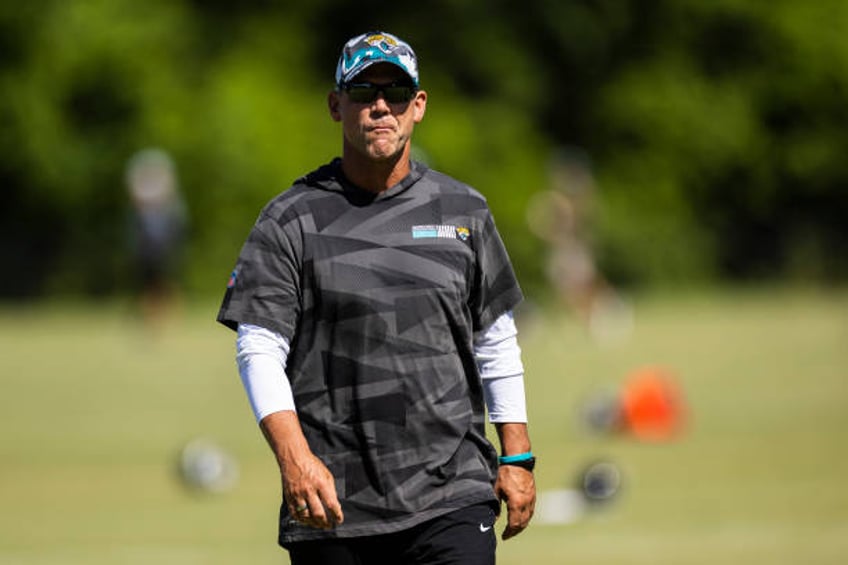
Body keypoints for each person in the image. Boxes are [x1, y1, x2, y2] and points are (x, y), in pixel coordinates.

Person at [217, 31, 535, 565]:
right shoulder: (289, 220)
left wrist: (518, 457)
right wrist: (294, 459)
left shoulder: (464, 211)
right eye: (363, 92)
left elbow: (495, 340)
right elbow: (259, 348)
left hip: (452, 493)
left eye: (396, 91)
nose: (380, 106)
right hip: (333, 504)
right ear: (336, 105)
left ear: (419, 105)